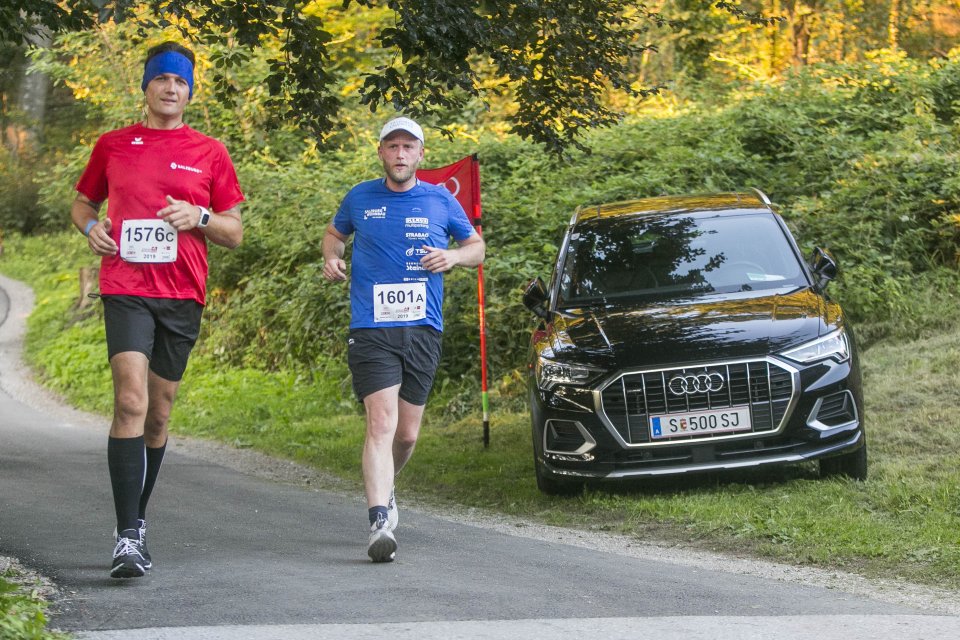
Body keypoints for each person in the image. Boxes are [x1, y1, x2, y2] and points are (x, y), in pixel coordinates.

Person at [71, 41, 244, 578]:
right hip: (126, 285)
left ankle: (137, 522)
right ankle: (126, 537)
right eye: (162, 80)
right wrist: (90, 228)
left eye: (181, 82)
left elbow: (234, 233)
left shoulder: (210, 152)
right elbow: (83, 204)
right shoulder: (114, 145)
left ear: (190, 91)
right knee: (130, 401)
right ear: (145, 87)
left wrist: (200, 216)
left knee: (159, 414)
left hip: (182, 292)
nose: (171, 89)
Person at [322, 116, 485, 562]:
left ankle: (387, 488)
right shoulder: (360, 197)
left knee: (407, 435)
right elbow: (334, 237)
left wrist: (452, 256)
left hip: (423, 328)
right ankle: (378, 521)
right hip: (372, 328)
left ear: (420, 155)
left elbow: (477, 248)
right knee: (381, 423)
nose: (399, 154)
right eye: (391, 146)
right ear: (380, 152)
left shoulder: (439, 200)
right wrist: (332, 260)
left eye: (407, 147)